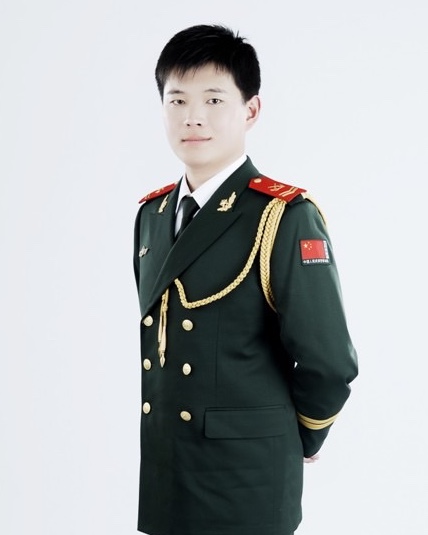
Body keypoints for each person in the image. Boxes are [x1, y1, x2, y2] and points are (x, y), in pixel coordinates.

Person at [133, 24, 358, 535]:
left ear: (250, 111)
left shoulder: (283, 215)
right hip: (168, 472)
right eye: (177, 100)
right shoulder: (152, 215)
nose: (193, 117)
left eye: (214, 100)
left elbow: (329, 362)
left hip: (247, 479)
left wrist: (300, 437)